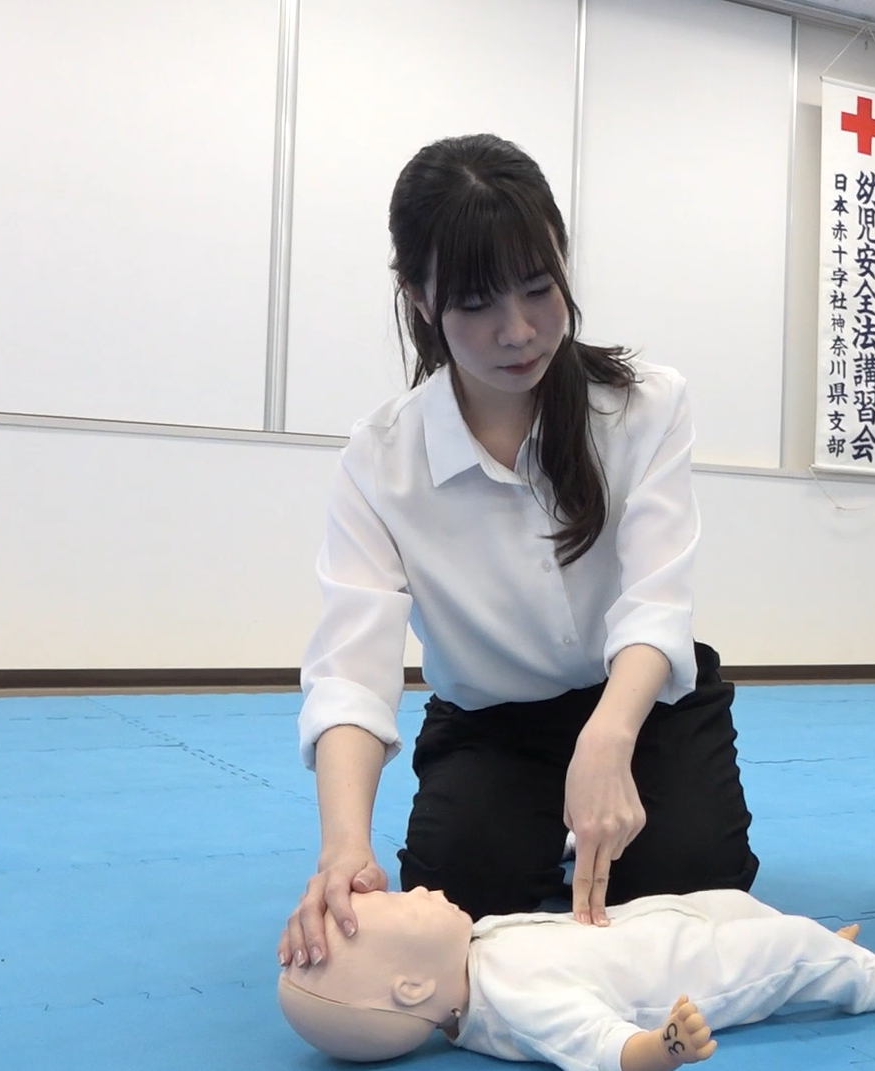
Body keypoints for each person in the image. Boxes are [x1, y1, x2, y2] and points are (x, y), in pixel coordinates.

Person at [279, 134, 758, 972]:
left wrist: (607, 739)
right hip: (492, 726)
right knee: (460, 903)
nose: (519, 330)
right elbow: (350, 669)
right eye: (475, 303)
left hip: (639, 702)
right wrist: (343, 847)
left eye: (539, 287)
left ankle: (594, 816)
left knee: (689, 888)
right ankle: (555, 827)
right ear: (417, 296)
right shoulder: (381, 459)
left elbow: (655, 599)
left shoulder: (645, 407)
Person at [277, 887, 875, 1070]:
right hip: (693, 969)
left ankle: (818, 963)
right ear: (411, 989)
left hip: (661, 922)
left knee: (737, 905)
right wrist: (662, 1047)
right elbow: (597, 1046)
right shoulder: (513, 1001)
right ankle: (866, 980)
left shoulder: (474, 951)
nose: (421, 889)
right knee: (779, 947)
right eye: (407, 905)